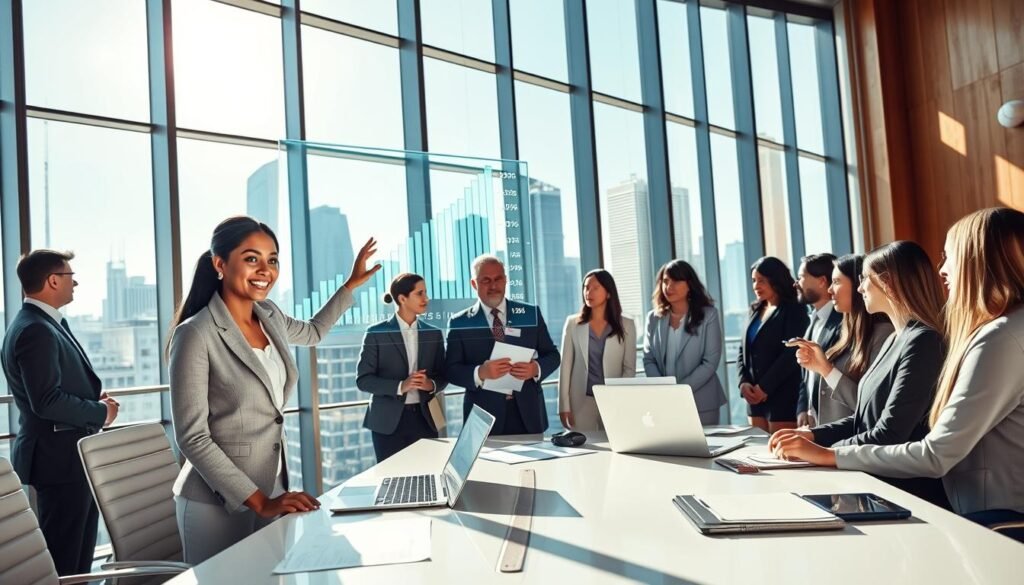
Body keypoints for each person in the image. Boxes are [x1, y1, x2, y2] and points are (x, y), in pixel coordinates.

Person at [772, 208, 1024, 537]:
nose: (943, 269)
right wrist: (817, 440)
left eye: (949, 256)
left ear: (976, 259)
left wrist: (830, 455)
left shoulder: (999, 337)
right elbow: (867, 415)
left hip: (997, 520)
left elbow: (934, 454)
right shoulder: (996, 332)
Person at [168, 216, 380, 564]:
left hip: (272, 485)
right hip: (214, 502)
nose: (265, 269)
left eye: (272, 259)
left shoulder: (269, 315)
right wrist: (258, 501)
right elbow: (192, 437)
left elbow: (312, 333)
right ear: (220, 264)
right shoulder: (196, 334)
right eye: (252, 258)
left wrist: (350, 287)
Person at [770, 240, 949, 508]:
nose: (860, 286)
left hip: (908, 494)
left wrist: (825, 453)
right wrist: (813, 436)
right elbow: (863, 418)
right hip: (877, 484)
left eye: (865, 278)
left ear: (889, 284)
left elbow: (889, 433)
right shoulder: (896, 340)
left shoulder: (923, 341)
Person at [1, 250, 119, 575]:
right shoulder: (35, 329)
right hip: (59, 460)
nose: (76, 282)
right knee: (65, 560)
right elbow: (47, 400)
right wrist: (100, 412)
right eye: (70, 276)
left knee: (78, 556)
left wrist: (92, 399)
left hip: (67, 457)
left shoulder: (43, 324)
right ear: (53, 280)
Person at [446, 254, 560, 435]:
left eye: (498, 279)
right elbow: (450, 370)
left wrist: (535, 369)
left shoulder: (530, 314)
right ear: (474, 284)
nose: (493, 285)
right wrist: (480, 373)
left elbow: (553, 355)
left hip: (528, 414)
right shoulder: (459, 322)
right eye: (486, 280)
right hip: (483, 416)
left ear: (506, 280)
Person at [791, 254, 894, 425]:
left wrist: (825, 369)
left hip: (855, 443)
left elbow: (871, 407)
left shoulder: (883, 335)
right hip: (831, 437)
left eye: (836, 282)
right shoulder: (848, 332)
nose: (830, 290)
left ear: (856, 285)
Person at [357, 273, 448, 462]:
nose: (426, 298)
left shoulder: (434, 334)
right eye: (420, 293)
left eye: (426, 293)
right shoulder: (376, 334)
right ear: (402, 298)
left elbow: (443, 375)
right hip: (387, 422)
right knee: (392, 481)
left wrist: (430, 384)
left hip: (425, 419)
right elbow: (364, 380)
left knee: (426, 476)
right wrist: (400, 386)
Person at [642, 260, 726, 425]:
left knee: (706, 447)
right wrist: (664, 389)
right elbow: (649, 358)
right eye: (665, 281)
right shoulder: (653, 318)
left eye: (676, 281)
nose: (669, 286)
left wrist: (680, 391)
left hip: (701, 401)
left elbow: (710, 362)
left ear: (689, 285)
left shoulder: (709, 315)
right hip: (666, 402)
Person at [558, 269, 636, 431]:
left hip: (614, 400)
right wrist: (564, 405)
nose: (588, 292)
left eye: (595, 288)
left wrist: (621, 399)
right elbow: (565, 367)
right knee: (584, 448)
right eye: (586, 287)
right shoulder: (573, 324)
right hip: (581, 401)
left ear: (608, 293)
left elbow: (629, 369)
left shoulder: (627, 325)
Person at [737, 257, 809, 433]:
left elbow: (791, 354)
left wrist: (764, 388)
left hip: (782, 396)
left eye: (761, 280)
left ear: (776, 279)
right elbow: (743, 350)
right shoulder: (754, 310)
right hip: (754, 398)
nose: (756, 285)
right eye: (754, 280)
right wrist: (743, 382)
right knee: (756, 451)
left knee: (781, 453)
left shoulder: (795, 310)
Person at [793, 253, 842, 427]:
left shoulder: (844, 321)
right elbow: (806, 371)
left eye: (801, 277)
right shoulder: (813, 319)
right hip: (813, 419)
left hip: (836, 419)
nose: (796, 283)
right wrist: (803, 407)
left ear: (822, 281)